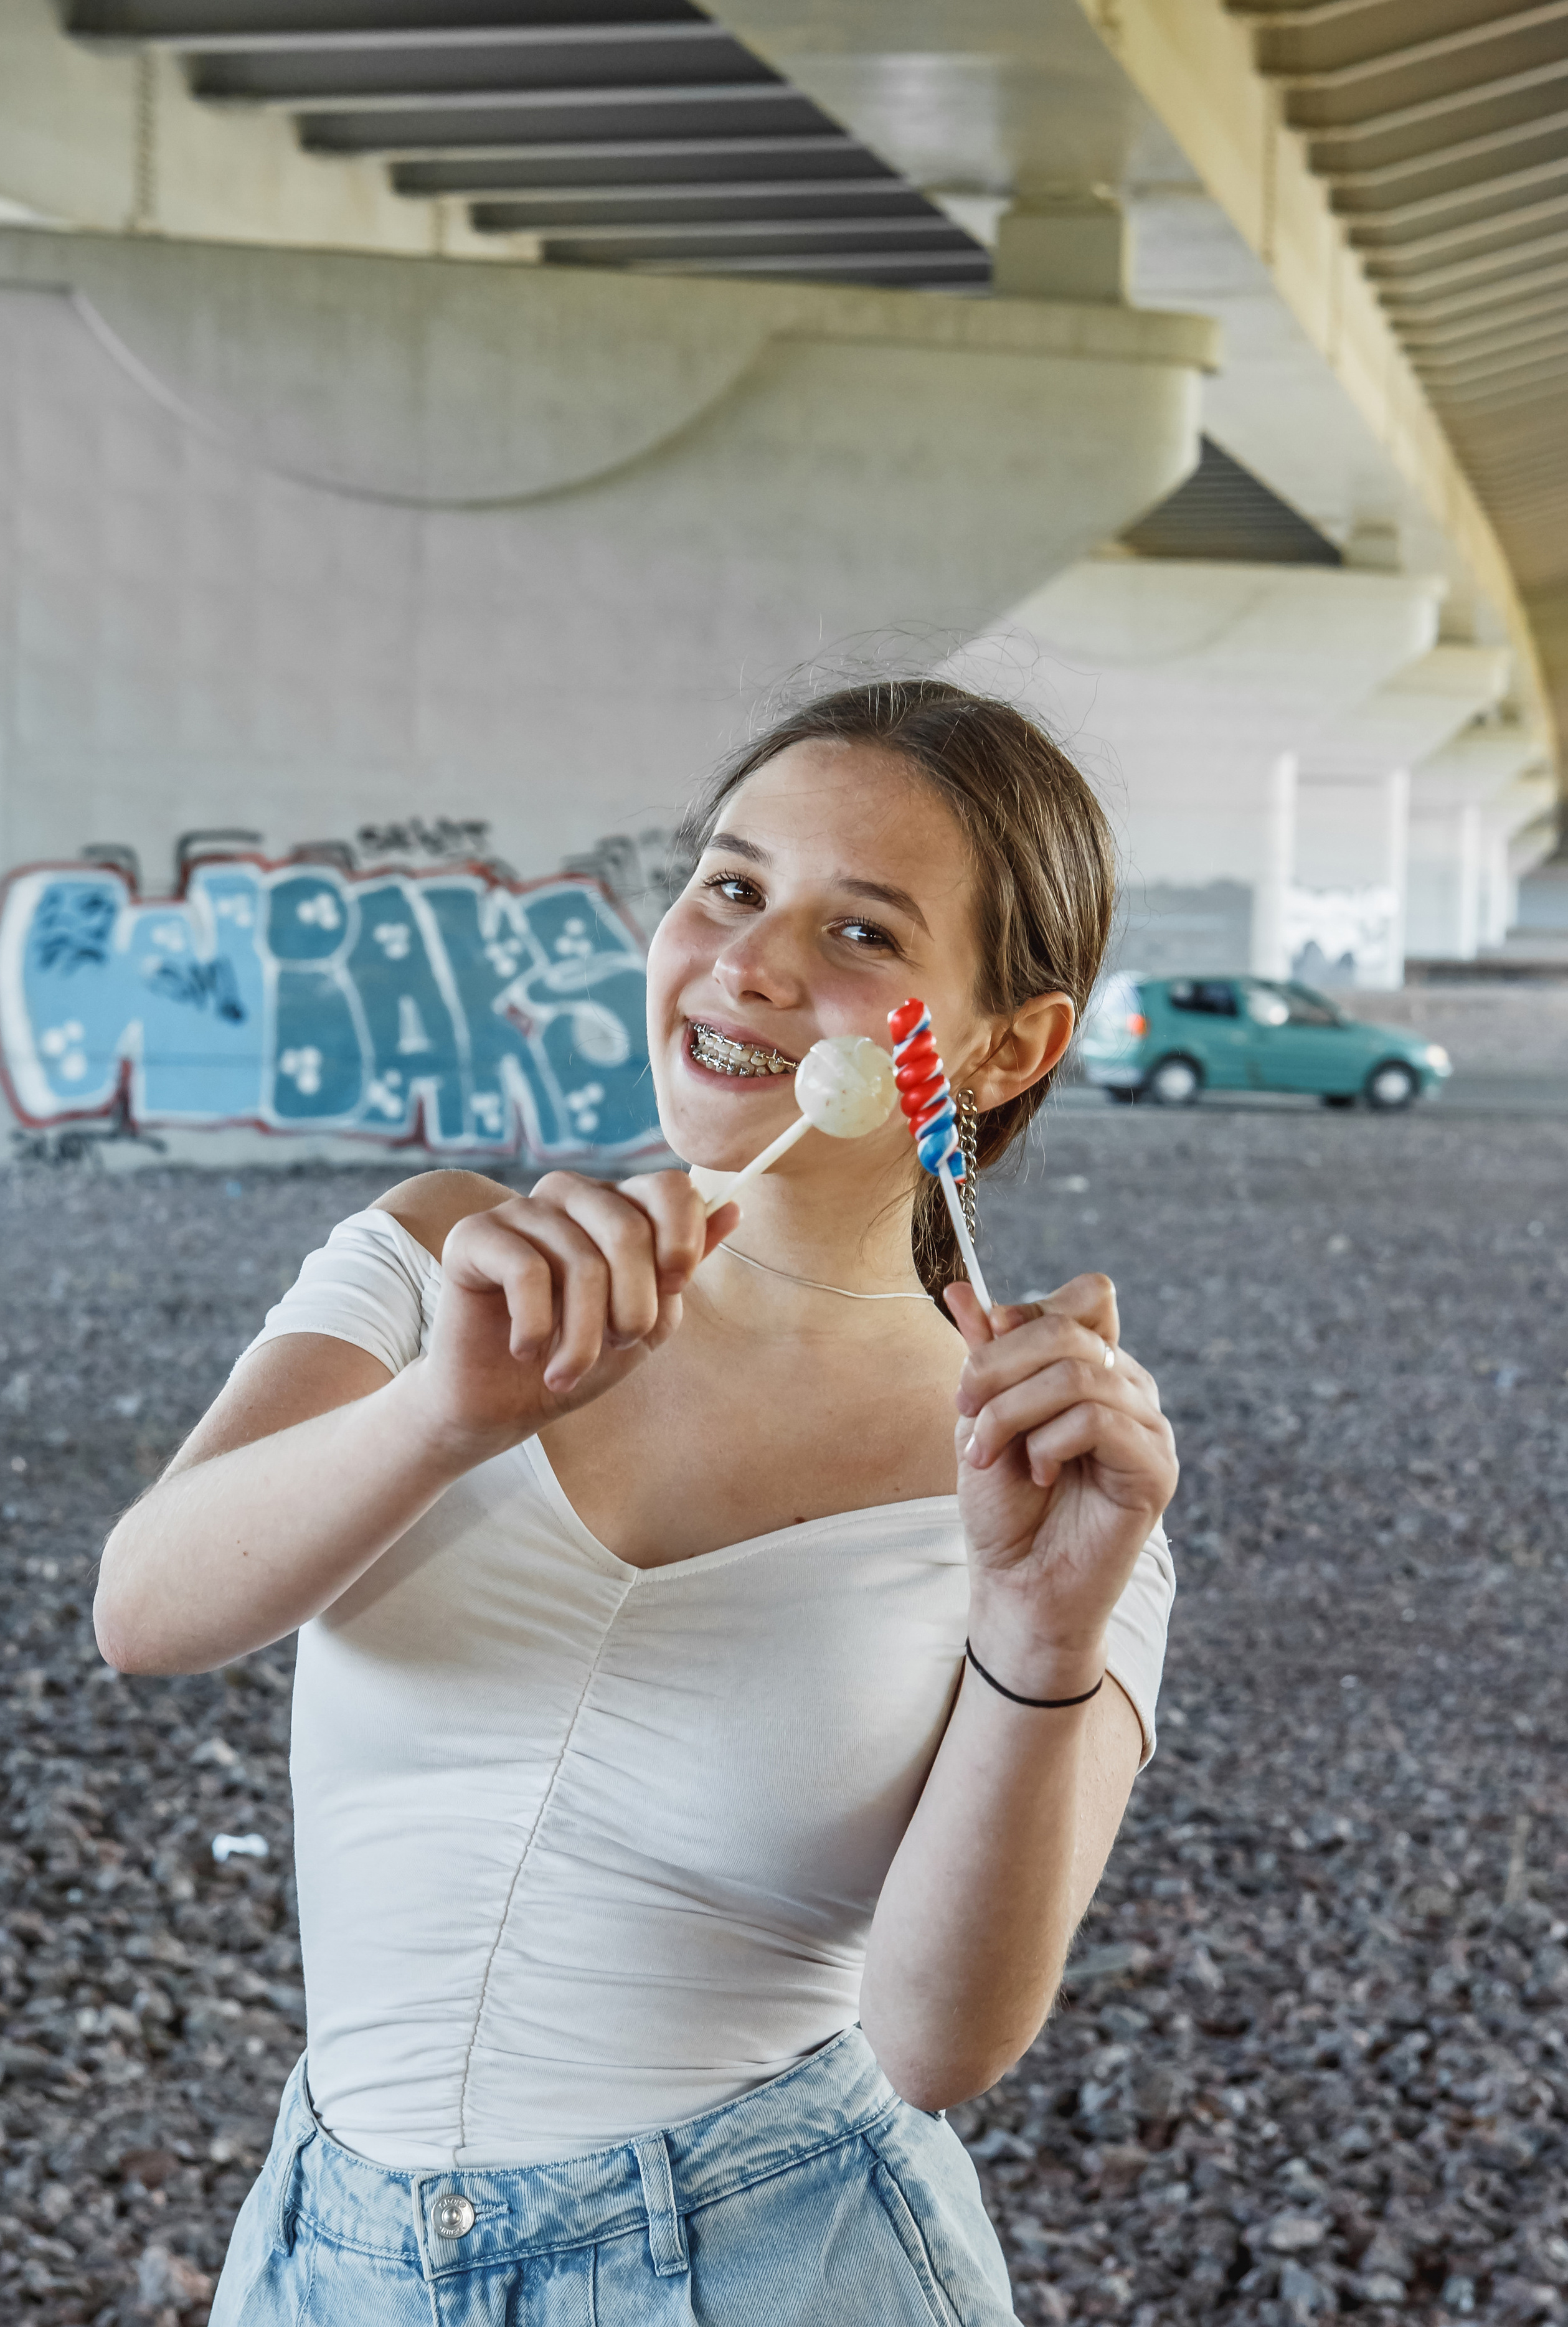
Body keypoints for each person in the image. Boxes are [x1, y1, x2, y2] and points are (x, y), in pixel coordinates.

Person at [95, 677, 1178, 2326]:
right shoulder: (448, 1250)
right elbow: (146, 1610)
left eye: (864, 933)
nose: (751, 959)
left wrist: (1040, 1630)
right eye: (731, 885)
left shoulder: (1048, 1476)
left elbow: (938, 2041)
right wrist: (443, 1417)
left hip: (780, 2263)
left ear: (1007, 1040)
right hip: (328, 2258)